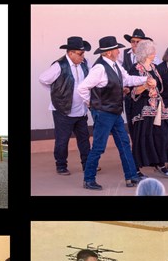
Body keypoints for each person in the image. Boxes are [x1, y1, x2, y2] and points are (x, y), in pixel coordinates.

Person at [77, 36, 153, 190]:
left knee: (124, 143)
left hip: (115, 112)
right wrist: (91, 104)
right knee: (99, 146)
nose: (119, 51)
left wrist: (146, 79)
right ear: (109, 52)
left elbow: (128, 80)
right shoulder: (99, 68)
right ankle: (88, 179)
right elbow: (82, 88)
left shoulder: (115, 65)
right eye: (116, 49)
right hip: (104, 113)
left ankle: (131, 176)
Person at [38, 36, 93, 175]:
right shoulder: (59, 65)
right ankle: (61, 165)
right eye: (80, 54)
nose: (82, 56)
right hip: (63, 111)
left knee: (84, 140)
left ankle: (87, 165)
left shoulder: (84, 63)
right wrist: (56, 93)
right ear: (70, 53)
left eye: (83, 53)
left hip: (81, 110)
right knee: (62, 141)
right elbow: (43, 79)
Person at [128, 40, 168, 177]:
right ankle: (136, 168)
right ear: (147, 53)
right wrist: (146, 85)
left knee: (165, 133)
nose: (155, 53)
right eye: (152, 51)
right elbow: (134, 92)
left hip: (158, 106)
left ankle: (160, 163)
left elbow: (165, 81)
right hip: (143, 107)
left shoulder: (154, 67)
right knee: (142, 137)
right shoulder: (135, 68)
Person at [121, 29, 156, 136]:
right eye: (133, 41)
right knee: (132, 121)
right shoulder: (123, 54)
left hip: (146, 97)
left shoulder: (153, 58)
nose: (135, 44)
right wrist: (122, 86)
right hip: (129, 93)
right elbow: (117, 72)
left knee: (147, 127)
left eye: (138, 41)